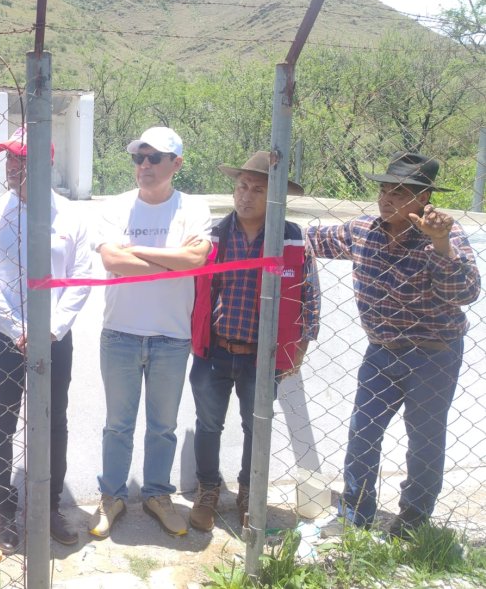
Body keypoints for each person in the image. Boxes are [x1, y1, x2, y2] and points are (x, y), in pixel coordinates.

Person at [306, 152, 480, 538]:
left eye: (399, 192)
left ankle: (415, 519)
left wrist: (440, 247)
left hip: (434, 352)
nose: (387, 198)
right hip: (382, 349)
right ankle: (356, 513)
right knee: (363, 430)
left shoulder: (446, 236)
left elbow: (466, 292)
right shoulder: (363, 229)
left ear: (424, 198)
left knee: (425, 436)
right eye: (384, 190)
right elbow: (311, 239)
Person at [0, 127, 92, 553]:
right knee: (0, 422)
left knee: (54, 422)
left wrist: (51, 329)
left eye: (23, 160)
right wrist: (17, 328)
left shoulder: (71, 217)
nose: (13, 167)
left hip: (55, 338)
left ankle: (48, 504)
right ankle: (4, 509)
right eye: (10, 159)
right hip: (4, 338)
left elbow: (79, 278)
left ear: (46, 165)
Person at [188, 151, 321, 531]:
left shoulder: (290, 237)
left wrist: (300, 347)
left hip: (261, 357)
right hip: (214, 350)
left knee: (256, 425)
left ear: (275, 196)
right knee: (208, 424)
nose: (245, 195)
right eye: (241, 186)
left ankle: (249, 491)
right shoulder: (215, 234)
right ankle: (208, 490)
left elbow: (308, 294)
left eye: (257, 189)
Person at [89, 126, 212, 539]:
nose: (144, 166)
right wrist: (172, 261)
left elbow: (196, 259)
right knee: (118, 425)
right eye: (139, 158)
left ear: (176, 164)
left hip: (171, 338)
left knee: (163, 426)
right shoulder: (116, 206)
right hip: (120, 334)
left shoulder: (192, 209)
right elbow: (112, 261)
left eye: (154, 158)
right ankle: (112, 496)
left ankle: (158, 495)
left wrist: (136, 250)